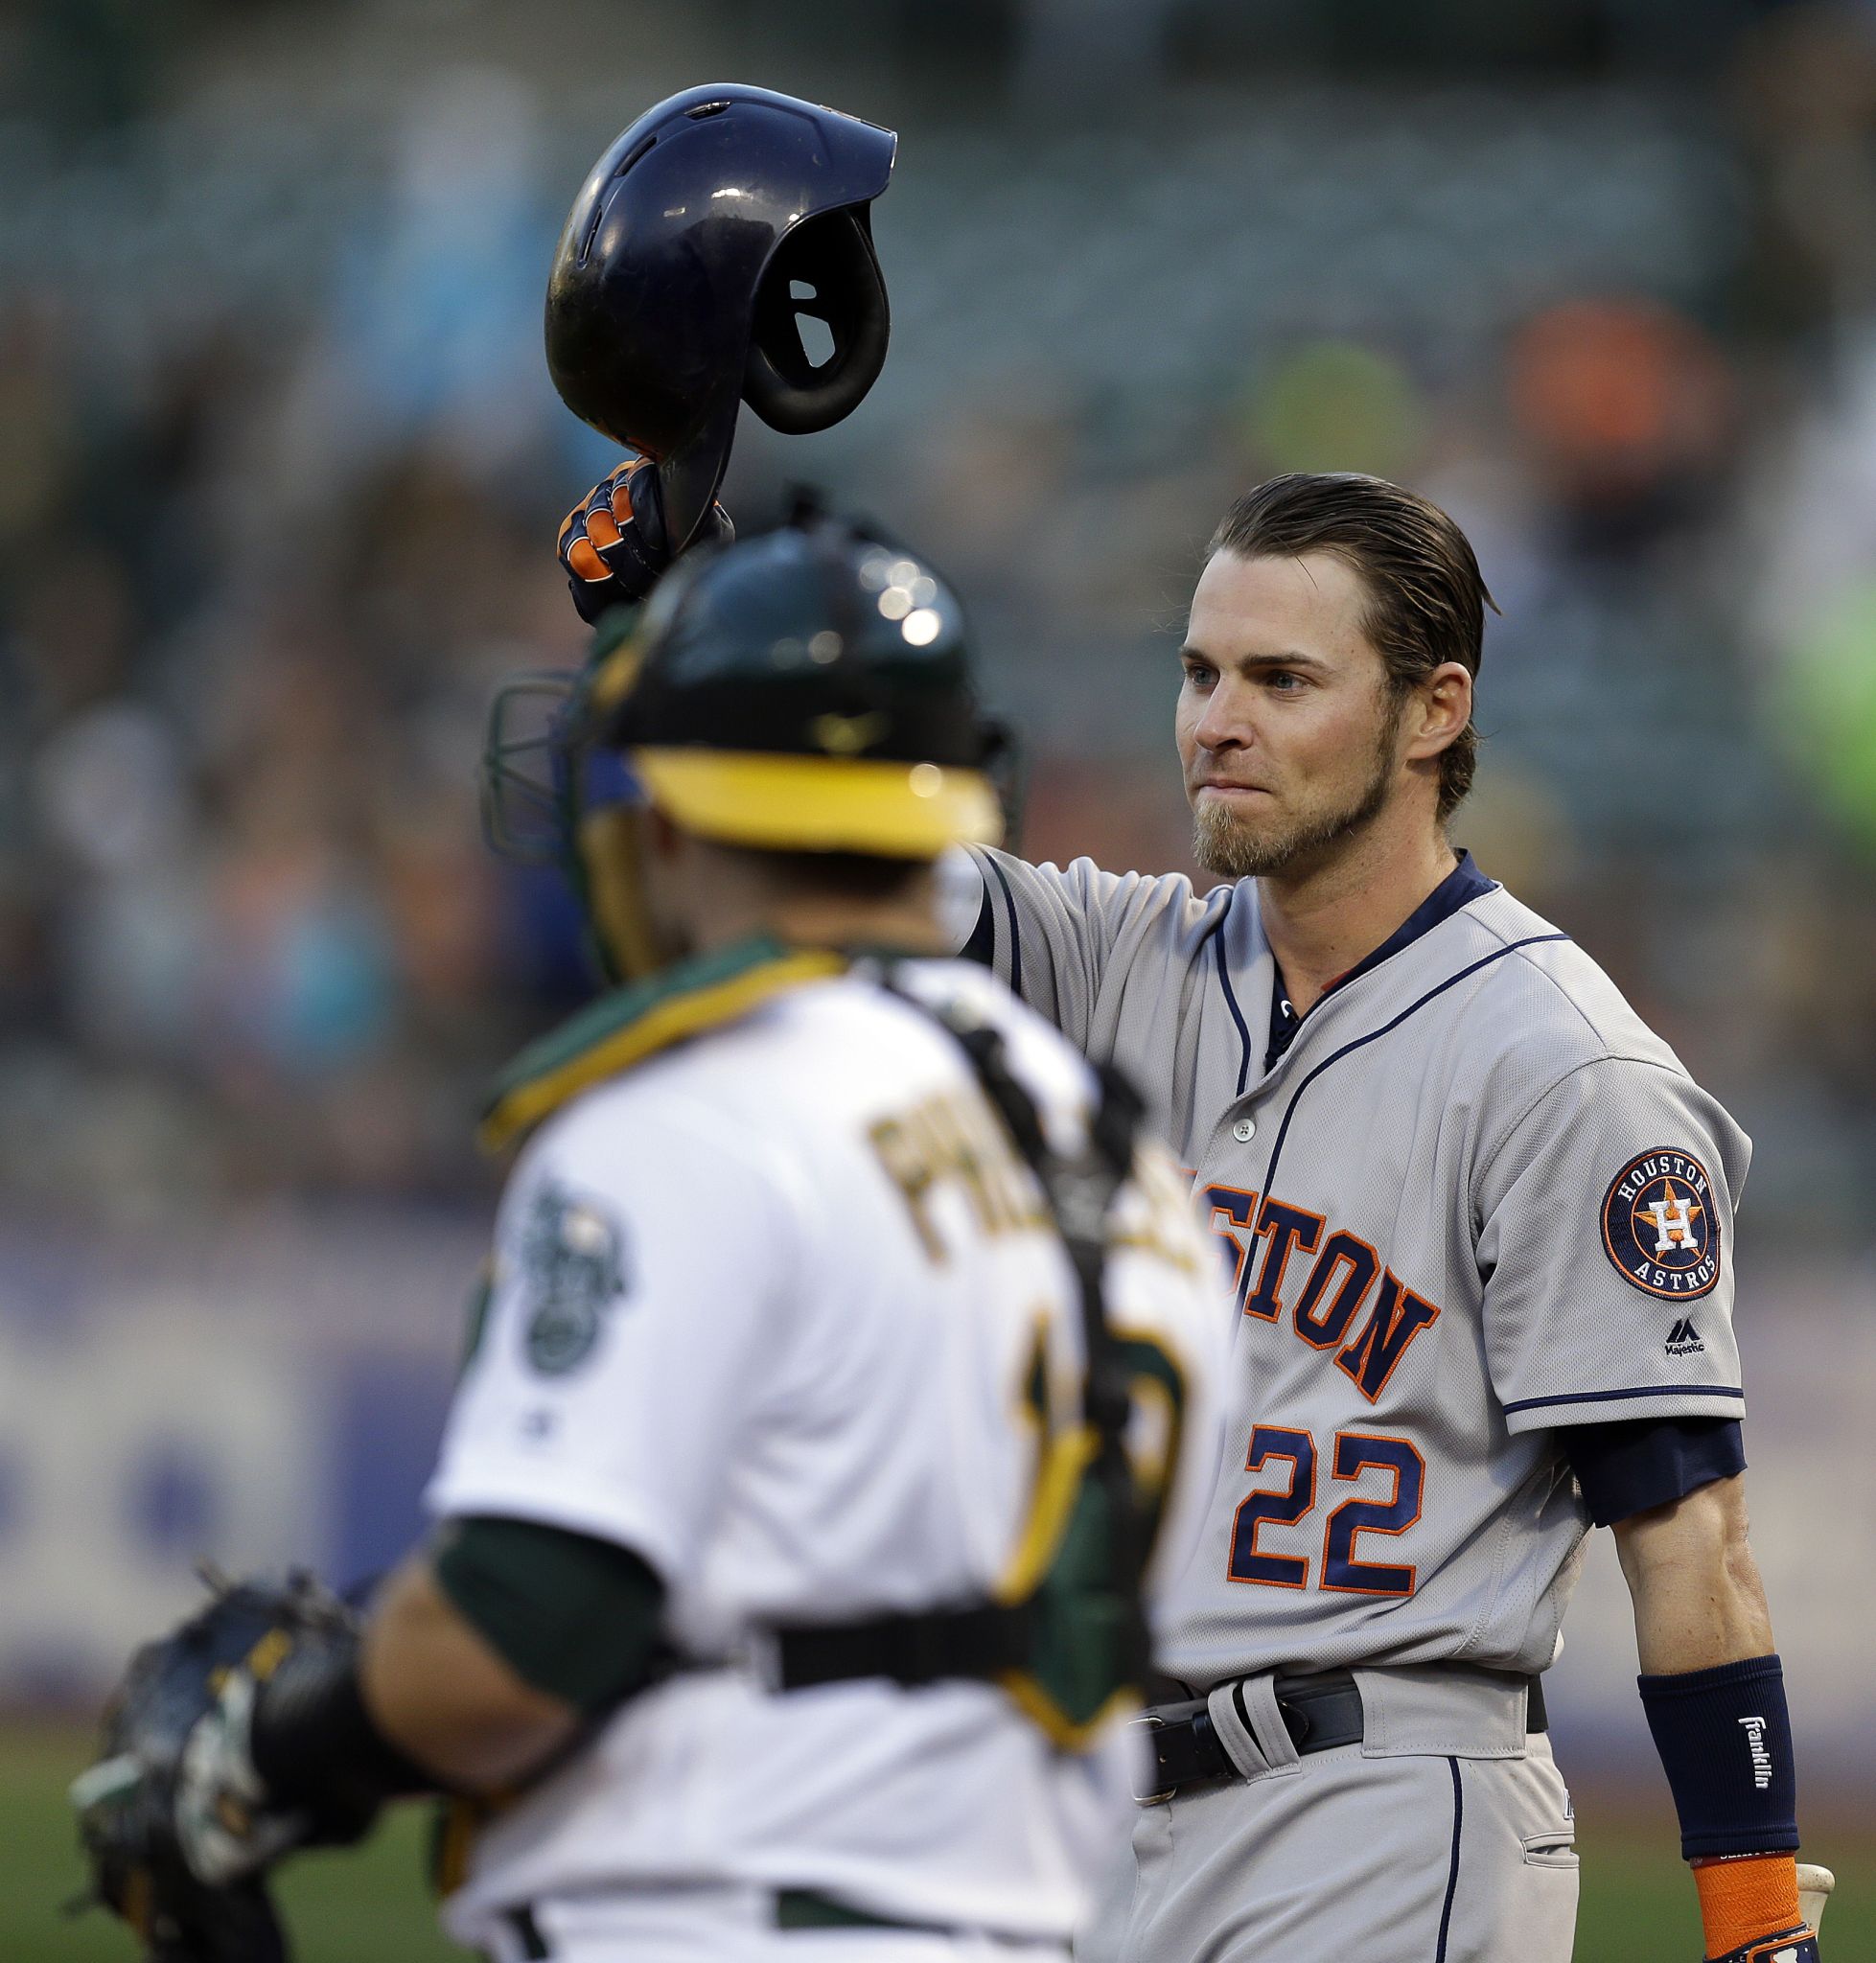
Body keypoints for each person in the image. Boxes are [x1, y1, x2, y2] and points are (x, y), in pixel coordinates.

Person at [558, 467, 1817, 1963]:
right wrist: (691, 615)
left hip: (1382, 1812)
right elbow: (833, 877)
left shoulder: (1558, 1069)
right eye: (1200, 672)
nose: (1217, 720)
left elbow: (1688, 1539)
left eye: (1282, 679)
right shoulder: (1119, 956)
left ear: (1433, 713)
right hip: (1098, 1819)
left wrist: (1751, 1925)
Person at [74, 508, 1227, 1963]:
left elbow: (515, 1637)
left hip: (715, 1916)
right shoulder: (1120, 1154)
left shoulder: (687, 1118)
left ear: (663, 818)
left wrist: (263, 1754)